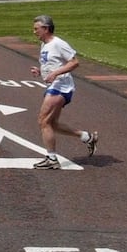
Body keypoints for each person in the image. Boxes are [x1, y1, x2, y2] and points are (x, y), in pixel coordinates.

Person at [29, 15, 98, 169]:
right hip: (55, 85)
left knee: (43, 121)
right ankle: (86, 137)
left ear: (46, 29)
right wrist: (41, 71)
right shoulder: (44, 45)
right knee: (52, 124)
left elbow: (74, 62)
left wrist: (55, 74)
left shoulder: (58, 44)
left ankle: (52, 159)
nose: (34, 32)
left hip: (61, 87)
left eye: (36, 29)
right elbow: (52, 64)